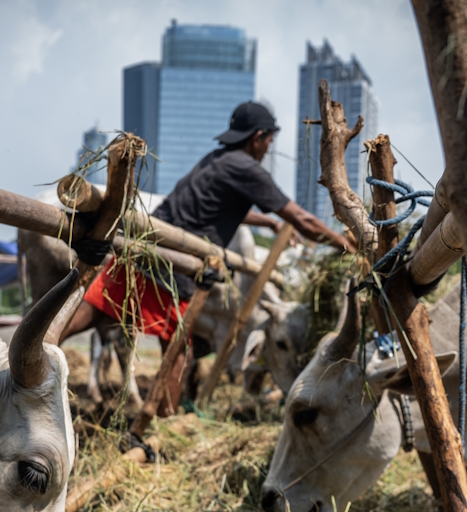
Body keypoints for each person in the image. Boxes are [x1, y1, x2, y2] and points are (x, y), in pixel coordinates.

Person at [64, 101, 354, 344]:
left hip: (150, 245)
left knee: (93, 313)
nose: (267, 148)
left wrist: (267, 223)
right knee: (175, 349)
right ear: (258, 137)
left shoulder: (218, 159)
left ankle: (37, 349)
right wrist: (346, 244)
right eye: (268, 141)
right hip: (172, 262)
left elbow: (217, 208)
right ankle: (164, 412)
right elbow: (301, 218)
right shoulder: (247, 169)